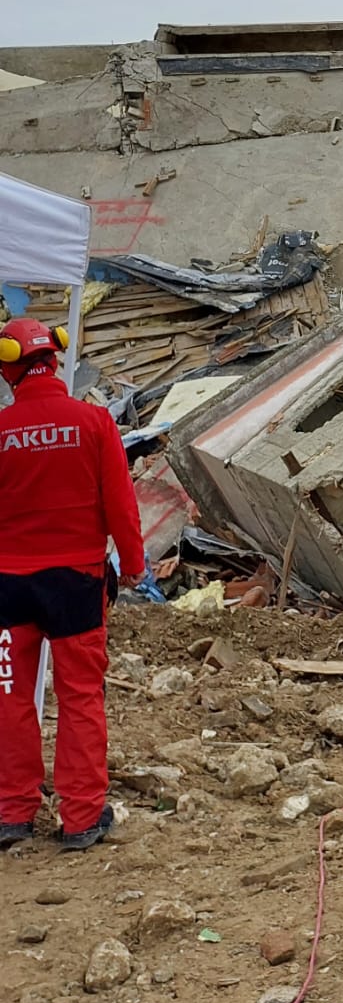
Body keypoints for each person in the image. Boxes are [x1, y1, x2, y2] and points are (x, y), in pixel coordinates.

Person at [0, 318, 145, 850]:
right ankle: (82, 818)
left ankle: (12, 812)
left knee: (10, 696)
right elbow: (120, 502)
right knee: (80, 695)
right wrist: (133, 564)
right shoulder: (93, 422)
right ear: (54, 362)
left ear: (8, 366)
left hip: (9, 587)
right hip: (78, 584)